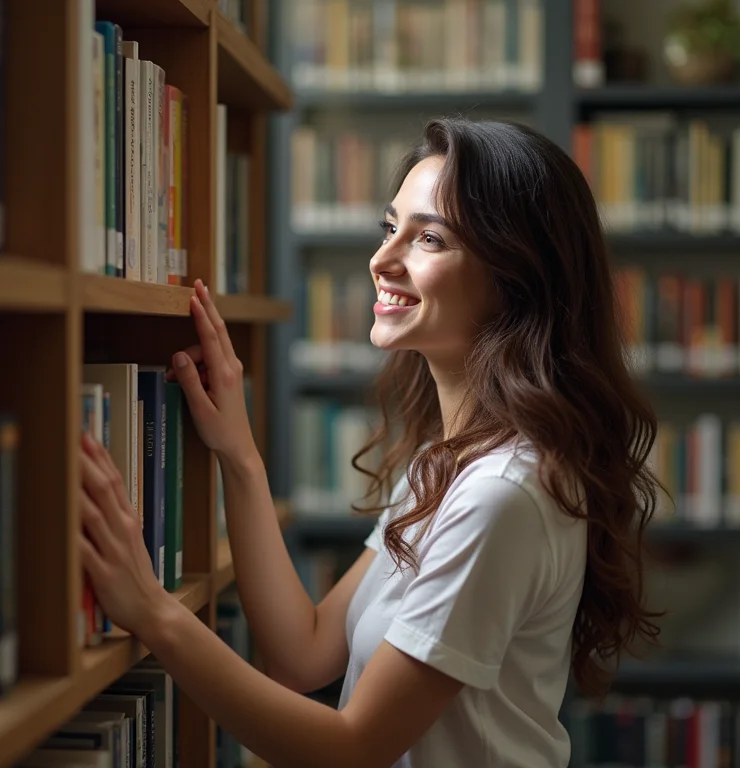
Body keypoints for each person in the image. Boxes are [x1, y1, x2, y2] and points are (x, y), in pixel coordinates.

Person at [79, 117, 661, 768]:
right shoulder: (446, 465)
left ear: (517, 278)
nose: (382, 260)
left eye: (430, 238)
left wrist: (153, 613)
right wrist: (238, 456)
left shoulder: (502, 494)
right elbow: (304, 651)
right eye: (391, 228)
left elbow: (352, 748)